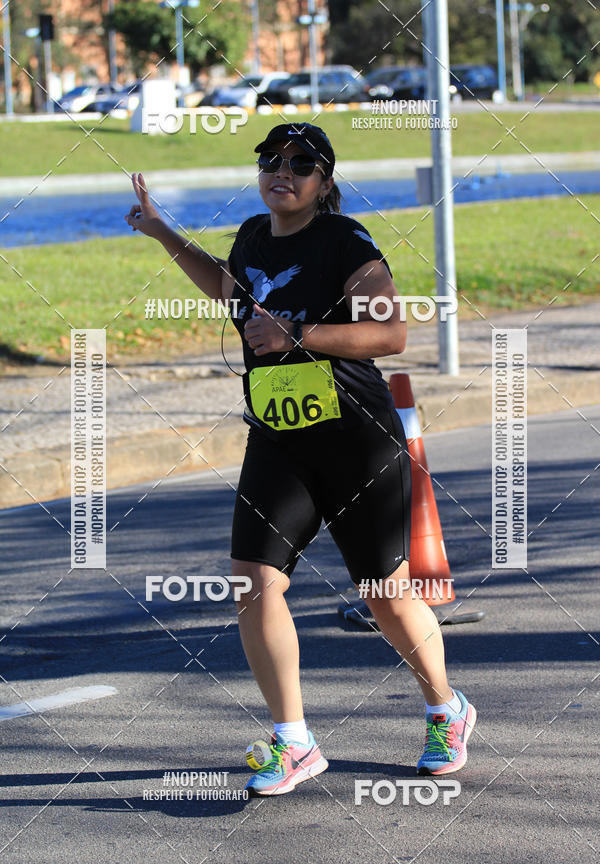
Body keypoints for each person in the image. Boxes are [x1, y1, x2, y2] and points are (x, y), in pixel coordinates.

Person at [125, 121, 476, 797]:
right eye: (272, 160)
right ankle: (295, 741)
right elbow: (229, 290)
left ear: (324, 182)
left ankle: (445, 708)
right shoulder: (255, 235)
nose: (282, 170)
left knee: (385, 596)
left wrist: (298, 333)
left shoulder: (347, 242)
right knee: (253, 579)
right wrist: (163, 232)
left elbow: (392, 332)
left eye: (301, 163)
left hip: (357, 437)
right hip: (279, 436)